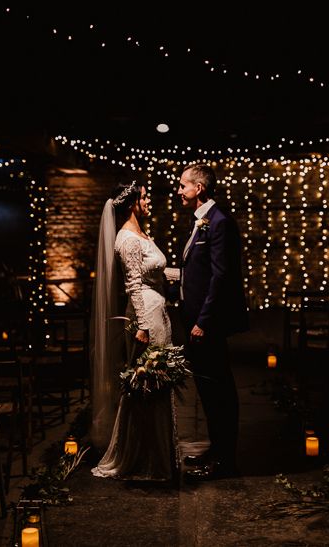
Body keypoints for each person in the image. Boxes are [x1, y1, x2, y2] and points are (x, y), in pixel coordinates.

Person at [90, 181, 179, 481]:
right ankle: (141, 456)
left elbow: (152, 270)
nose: (148, 200)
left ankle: (161, 452)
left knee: (159, 382)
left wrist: (186, 272)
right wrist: (142, 325)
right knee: (144, 383)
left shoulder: (142, 233)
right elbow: (133, 284)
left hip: (158, 313)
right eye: (144, 196)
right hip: (145, 318)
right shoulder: (127, 239)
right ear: (131, 203)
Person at [176, 163, 249, 480]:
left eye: (183, 185)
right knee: (207, 388)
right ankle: (216, 449)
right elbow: (200, 271)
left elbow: (221, 277)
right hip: (195, 318)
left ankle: (225, 460)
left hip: (208, 322)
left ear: (199, 189)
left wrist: (203, 320)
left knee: (218, 388)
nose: (179, 191)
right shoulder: (202, 221)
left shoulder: (219, 223)